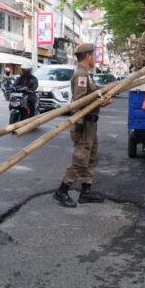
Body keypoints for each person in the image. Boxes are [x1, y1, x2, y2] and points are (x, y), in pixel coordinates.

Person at [53, 43, 112, 208]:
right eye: (93, 55)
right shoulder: (81, 75)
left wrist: (101, 102)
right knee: (80, 159)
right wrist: (101, 103)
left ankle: (86, 192)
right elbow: (79, 104)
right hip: (84, 124)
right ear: (87, 56)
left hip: (91, 125)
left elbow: (90, 99)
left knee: (92, 158)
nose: (94, 58)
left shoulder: (87, 74)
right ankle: (62, 190)